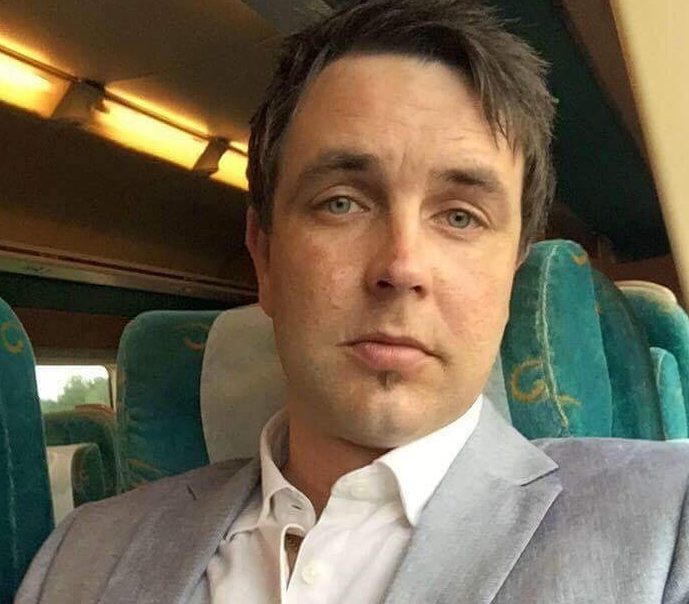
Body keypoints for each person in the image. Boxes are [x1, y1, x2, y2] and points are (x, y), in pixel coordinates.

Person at [17, 1, 689, 602]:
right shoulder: (83, 555)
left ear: (510, 276)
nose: (401, 267)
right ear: (265, 255)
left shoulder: (668, 524)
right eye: (341, 203)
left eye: (460, 216)